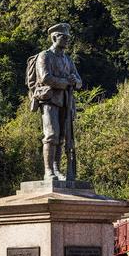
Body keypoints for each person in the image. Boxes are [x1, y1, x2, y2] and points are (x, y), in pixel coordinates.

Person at [33, 23, 82, 181]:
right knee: (51, 135)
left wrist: (74, 81)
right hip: (49, 100)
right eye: (64, 37)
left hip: (66, 102)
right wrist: (66, 82)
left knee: (62, 137)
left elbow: (79, 81)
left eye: (68, 37)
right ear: (54, 37)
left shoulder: (68, 59)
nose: (67, 40)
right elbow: (45, 77)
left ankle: (56, 168)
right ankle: (48, 171)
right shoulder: (45, 56)